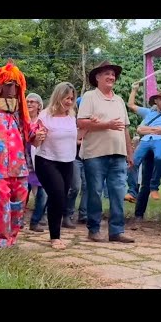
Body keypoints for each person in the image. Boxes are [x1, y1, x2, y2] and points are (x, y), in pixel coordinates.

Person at [0, 60, 45, 248]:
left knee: (19, 203)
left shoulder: (21, 110)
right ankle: (1, 239)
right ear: (0, 85)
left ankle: (13, 238)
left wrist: (38, 134)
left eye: (16, 85)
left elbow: (31, 135)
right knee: (1, 202)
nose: (12, 88)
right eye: (8, 84)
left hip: (19, 165)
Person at [77, 61, 135, 243]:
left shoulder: (119, 100)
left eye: (113, 74)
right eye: (107, 74)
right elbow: (81, 123)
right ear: (97, 78)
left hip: (118, 154)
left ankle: (116, 231)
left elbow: (125, 129)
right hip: (95, 154)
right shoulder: (89, 97)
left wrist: (129, 153)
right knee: (95, 192)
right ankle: (93, 229)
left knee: (118, 193)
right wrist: (106, 125)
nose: (111, 77)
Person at [35, 82, 77, 250]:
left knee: (61, 198)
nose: (69, 101)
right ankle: (55, 237)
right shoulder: (44, 116)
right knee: (57, 194)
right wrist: (38, 136)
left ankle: (50, 228)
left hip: (67, 161)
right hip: (46, 160)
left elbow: (74, 138)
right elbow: (35, 140)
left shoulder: (71, 117)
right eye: (66, 97)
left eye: (72, 98)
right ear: (58, 96)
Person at [25, 93, 48, 232]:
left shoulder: (42, 121)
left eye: (33, 102)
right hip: (23, 161)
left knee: (42, 193)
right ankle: (17, 219)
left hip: (39, 162)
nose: (29, 104)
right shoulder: (22, 119)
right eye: (27, 101)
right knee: (22, 193)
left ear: (39, 105)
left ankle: (35, 221)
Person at [66, 96, 87, 225]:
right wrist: (82, 141)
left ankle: (84, 214)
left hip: (89, 157)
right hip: (74, 157)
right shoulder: (72, 120)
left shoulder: (92, 121)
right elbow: (71, 138)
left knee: (88, 187)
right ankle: (67, 213)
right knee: (75, 186)